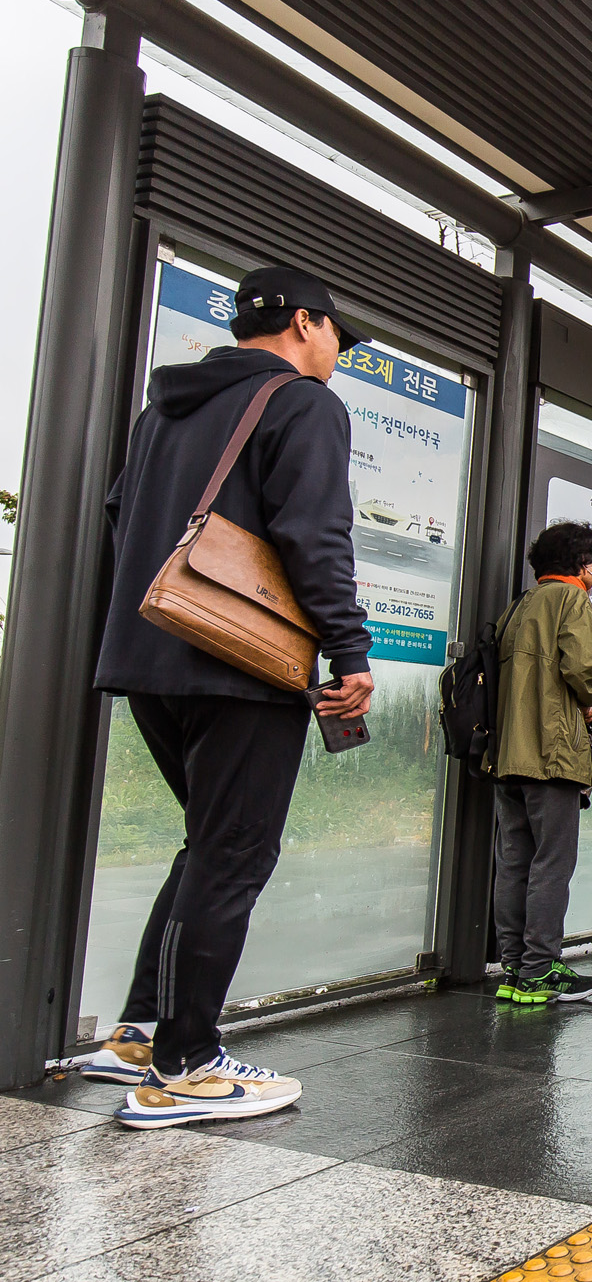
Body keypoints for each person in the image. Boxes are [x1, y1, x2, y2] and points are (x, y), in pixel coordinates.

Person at [83, 266, 375, 1128]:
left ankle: (142, 1030)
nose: (336, 357)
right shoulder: (303, 404)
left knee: (205, 847)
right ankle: (186, 1066)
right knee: (234, 856)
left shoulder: (161, 413)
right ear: (305, 324)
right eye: (335, 340)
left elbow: (116, 515)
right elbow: (314, 533)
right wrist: (349, 649)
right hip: (241, 668)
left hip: (150, 657)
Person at [489, 521, 592, 1006]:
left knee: (514, 861)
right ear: (583, 565)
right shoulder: (571, 600)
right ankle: (540, 972)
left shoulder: (516, 607)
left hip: (508, 755)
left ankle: (515, 968)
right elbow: (580, 667)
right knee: (552, 864)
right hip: (552, 754)